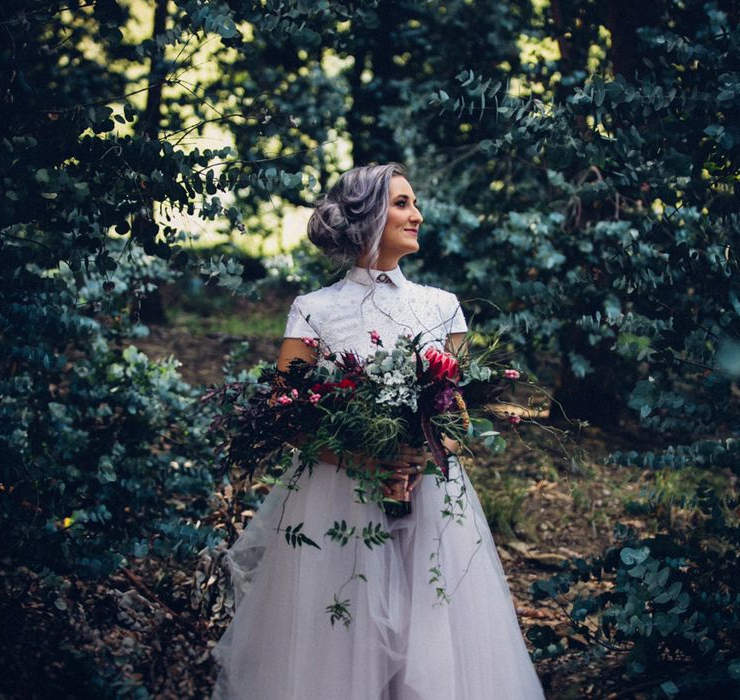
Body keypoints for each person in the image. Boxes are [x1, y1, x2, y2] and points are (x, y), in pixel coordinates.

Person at [211, 163, 545, 700]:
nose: (417, 214)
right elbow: (284, 413)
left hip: (434, 497)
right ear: (367, 215)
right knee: (339, 636)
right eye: (402, 203)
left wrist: (425, 453)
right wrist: (363, 462)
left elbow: (458, 414)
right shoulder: (314, 310)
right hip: (337, 498)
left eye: (414, 203)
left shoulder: (442, 307)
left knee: (434, 635)